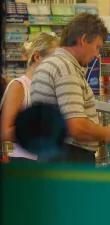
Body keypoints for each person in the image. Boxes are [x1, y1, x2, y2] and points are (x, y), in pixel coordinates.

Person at [30, 13, 110, 164]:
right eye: (97, 47)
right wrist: (105, 133)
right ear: (83, 40)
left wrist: (95, 136)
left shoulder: (50, 64)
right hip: (68, 158)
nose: (97, 54)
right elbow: (76, 127)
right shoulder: (66, 69)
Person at [0, 32, 59, 161]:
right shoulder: (19, 86)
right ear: (37, 57)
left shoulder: (52, 87)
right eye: (54, 59)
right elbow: (4, 133)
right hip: (22, 161)